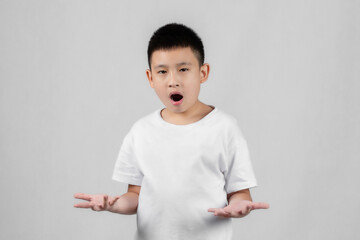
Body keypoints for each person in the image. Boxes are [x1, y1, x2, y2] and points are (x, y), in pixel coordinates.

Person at [74, 23, 270, 240]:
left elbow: (239, 192)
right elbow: (135, 195)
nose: (173, 81)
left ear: (203, 72)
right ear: (150, 78)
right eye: (162, 72)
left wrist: (240, 205)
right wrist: (114, 204)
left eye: (183, 69)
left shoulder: (225, 129)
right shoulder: (141, 131)